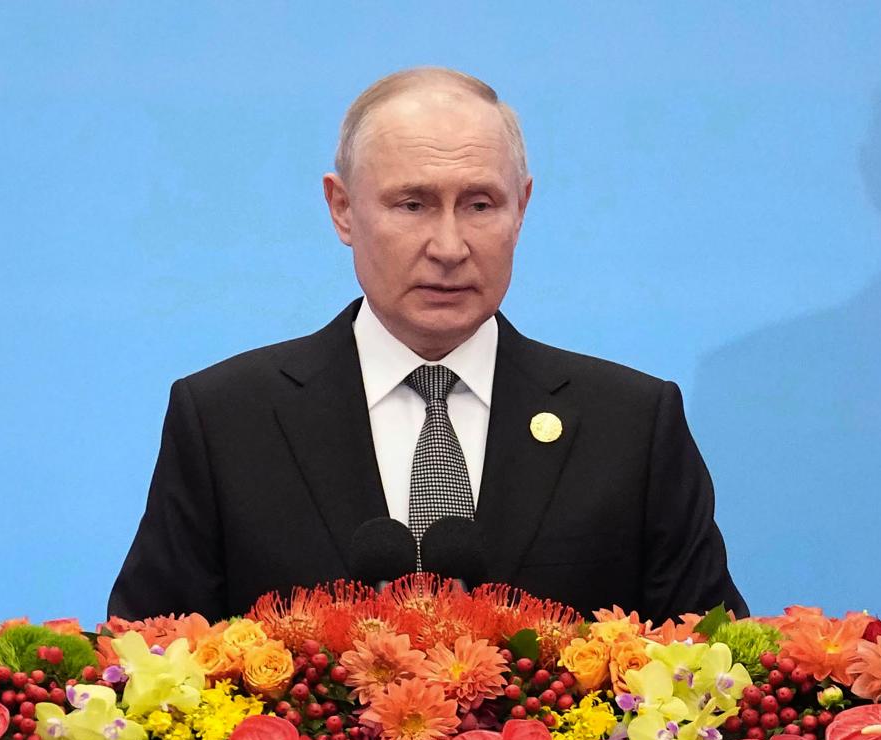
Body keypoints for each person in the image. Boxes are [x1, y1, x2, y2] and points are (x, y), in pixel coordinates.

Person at [108, 67, 746, 622]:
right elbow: (147, 667)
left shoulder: (631, 425)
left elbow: (714, 682)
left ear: (521, 208)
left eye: (479, 204)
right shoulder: (227, 419)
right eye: (412, 204)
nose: (449, 246)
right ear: (343, 210)